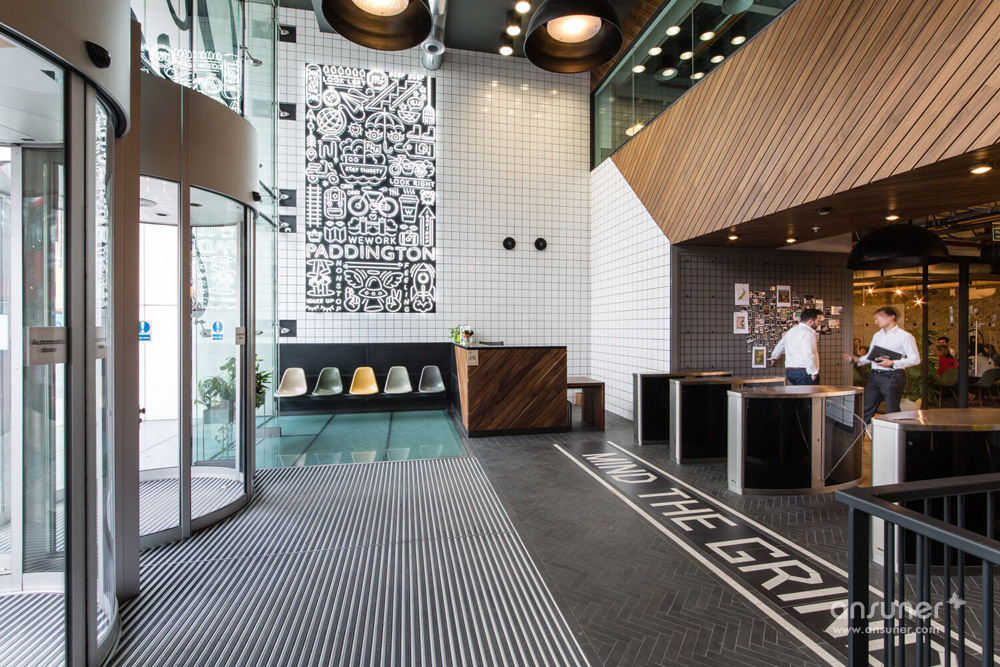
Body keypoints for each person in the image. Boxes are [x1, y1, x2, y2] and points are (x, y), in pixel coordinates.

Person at [846, 306, 920, 422]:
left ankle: (893, 433)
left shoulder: (905, 336)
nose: (876, 322)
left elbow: (915, 359)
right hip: (874, 376)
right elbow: (871, 356)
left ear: (891, 317)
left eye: (879, 318)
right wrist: (857, 360)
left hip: (892, 377)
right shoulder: (877, 335)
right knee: (865, 410)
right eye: (875, 319)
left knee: (892, 411)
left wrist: (892, 363)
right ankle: (860, 434)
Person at [770, 308, 822, 385]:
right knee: (809, 393)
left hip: (790, 372)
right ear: (810, 321)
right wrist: (813, 372)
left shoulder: (791, 331)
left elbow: (781, 345)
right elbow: (808, 353)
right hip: (804, 372)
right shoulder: (809, 332)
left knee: (798, 392)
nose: (819, 323)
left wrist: (774, 357)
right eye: (818, 320)